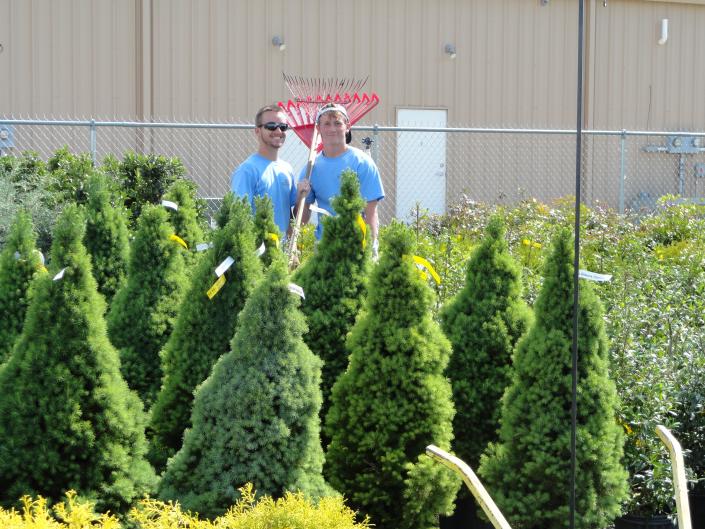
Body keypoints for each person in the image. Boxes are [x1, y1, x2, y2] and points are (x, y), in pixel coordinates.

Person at [296, 103, 384, 253]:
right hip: (325, 247)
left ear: (347, 126)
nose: (332, 129)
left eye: (337, 123)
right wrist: (300, 197)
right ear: (318, 128)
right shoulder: (311, 168)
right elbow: (302, 219)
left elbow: (371, 211)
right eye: (327, 124)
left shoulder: (362, 163)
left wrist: (370, 247)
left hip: (357, 245)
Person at [231, 104, 298, 236]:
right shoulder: (247, 171)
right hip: (258, 253)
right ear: (257, 131)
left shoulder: (287, 169)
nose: (278, 131)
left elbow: (289, 213)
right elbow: (239, 218)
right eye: (271, 126)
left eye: (283, 127)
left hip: (282, 252)